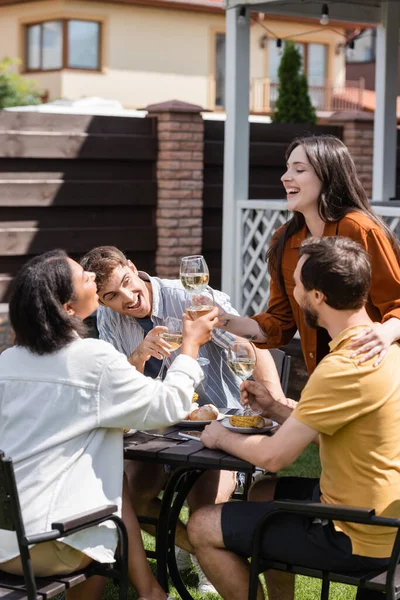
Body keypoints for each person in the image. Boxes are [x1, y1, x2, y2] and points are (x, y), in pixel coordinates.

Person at [188, 236, 400, 600]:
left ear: (317, 297)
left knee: (201, 525)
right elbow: (332, 432)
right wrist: (274, 408)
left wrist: (218, 437)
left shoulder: (342, 366)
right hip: (383, 513)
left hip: (358, 532)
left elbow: (275, 457)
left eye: (298, 284)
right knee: (261, 492)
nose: (294, 290)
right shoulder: (386, 348)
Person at [0, 249, 217, 600]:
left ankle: (149, 590)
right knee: (105, 503)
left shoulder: (7, 362)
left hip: (4, 540)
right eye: (84, 279)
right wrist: (189, 346)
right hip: (51, 543)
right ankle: (150, 590)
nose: (93, 280)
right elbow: (170, 405)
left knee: (111, 479)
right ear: (68, 308)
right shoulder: (92, 359)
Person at [80, 245, 285, 593]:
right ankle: (197, 547)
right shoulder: (109, 318)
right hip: (160, 427)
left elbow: (249, 345)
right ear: (101, 300)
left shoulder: (187, 296)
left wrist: (275, 404)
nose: (128, 298)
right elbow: (118, 386)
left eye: (128, 282)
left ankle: (204, 556)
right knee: (134, 496)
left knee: (205, 502)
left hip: (223, 420)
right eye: (112, 296)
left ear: (133, 266)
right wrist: (139, 355)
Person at [217, 135, 400, 375]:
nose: (285, 177)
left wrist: (385, 332)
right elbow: (279, 324)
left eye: (299, 169)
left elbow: (396, 302)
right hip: (324, 375)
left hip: (374, 371)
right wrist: (223, 320)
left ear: (328, 176)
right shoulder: (284, 238)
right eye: (287, 168)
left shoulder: (359, 229)